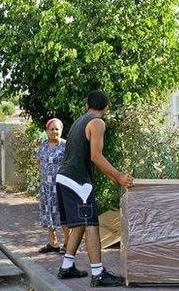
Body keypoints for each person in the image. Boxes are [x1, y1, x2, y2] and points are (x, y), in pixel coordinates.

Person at [55, 90, 134, 288]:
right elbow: (96, 156)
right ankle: (98, 274)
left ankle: (67, 266)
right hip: (78, 182)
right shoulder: (98, 123)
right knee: (91, 224)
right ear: (106, 108)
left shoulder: (80, 121)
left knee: (80, 223)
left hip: (64, 178)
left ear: (87, 106)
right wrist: (119, 176)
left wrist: (114, 177)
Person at [36, 118, 70, 254]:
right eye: (52, 129)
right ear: (47, 131)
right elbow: (39, 163)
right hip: (46, 188)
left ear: (61, 130)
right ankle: (53, 243)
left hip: (61, 187)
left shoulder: (65, 146)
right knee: (48, 214)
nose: (54, 132)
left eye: (57, 129)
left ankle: (68, 244)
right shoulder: (43, 146)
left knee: (63, 215)